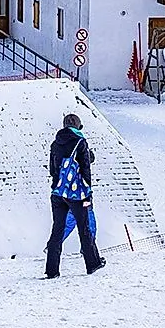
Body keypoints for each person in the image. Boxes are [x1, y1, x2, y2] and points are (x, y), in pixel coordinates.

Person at [44, 113, 105, 277]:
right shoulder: (81, 142)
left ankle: (52, 270)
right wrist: (88, 194)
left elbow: (52, 170)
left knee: (57, 230)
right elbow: (86, 169)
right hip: (78, 196)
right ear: (78, 126)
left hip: (57, 194)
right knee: (84, 228)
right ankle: (93, 263)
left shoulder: (55, 144)